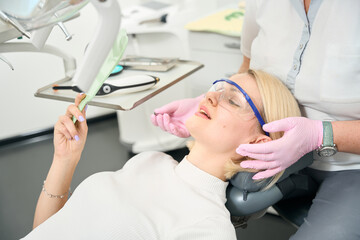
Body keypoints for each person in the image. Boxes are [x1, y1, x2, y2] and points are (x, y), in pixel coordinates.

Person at [151, 0, 360, 239]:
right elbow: (247, 68)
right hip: (272, 153)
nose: (211, 98)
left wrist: (321, 135)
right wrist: (217, 97)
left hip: (351, 166)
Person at [22, 69, 300, 239]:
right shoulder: (149, 161)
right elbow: (45, 233)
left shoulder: (207, 227)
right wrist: (64, 160)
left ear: (257, 141)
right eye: (218, 88)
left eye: (233, 99)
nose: (210, 97)